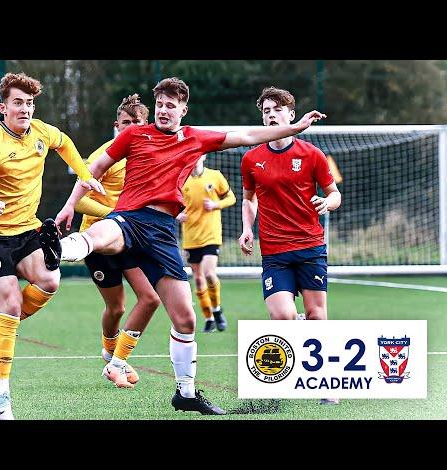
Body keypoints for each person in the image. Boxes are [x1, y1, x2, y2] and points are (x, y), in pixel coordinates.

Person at [39, 77, 325, 415]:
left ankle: (185, 394)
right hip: (131, 217)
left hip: (163, 233)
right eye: (159, 104)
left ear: (183, 110)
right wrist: (70, 205)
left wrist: (295, 128)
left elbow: (248, 136)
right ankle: (61, 248)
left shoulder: (195, 138)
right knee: (104, 233)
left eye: (170, 105)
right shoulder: (133, 134)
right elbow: (93, 169)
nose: (163, 110)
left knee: (186, 318)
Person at [0, 72, 103, 420]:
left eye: (29, 103)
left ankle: (4, 327)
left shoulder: (42, 131)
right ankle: (1, 397)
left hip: (26, 230)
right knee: (11, 304)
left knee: (50, 282)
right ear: (3, 107)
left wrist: (84, 174)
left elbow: (65, 144)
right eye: (17, 103)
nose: (24, 109)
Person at [238, 86, 341, 405]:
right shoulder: (251, 157)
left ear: (291, 115)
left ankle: (327, 386)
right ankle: (293, 329)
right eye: (266, 111)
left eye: (276, 109)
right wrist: (246, 229)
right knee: (282, 316)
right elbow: (248, 199)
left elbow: (334, 193)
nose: (270, 115)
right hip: (274, 251)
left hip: (310, 247)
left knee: (316, 315)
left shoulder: (311, 154)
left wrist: (329, 202)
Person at [74, 94, 160, 388]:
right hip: (98, 240)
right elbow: (80, 202)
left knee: (150, 298)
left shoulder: (150, 154)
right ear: (116, 125)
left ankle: (116, 362)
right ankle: (110, 352)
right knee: (117, 308)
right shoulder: (104, 155)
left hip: (131, 238)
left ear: (146, 123)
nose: (132, 127)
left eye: (137, 121)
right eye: (126, 122)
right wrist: (113, 214)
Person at [177, 154, 236, 333]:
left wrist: (215, 204)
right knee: (198, 278)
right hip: (191, 236)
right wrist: (176, 214)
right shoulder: (181, 179)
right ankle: (209, 318)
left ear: (203, 156)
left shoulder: (215, 176)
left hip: (211, 235)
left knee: (208, 273)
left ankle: (217, 310)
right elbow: (170, 203)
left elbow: (231, 198)